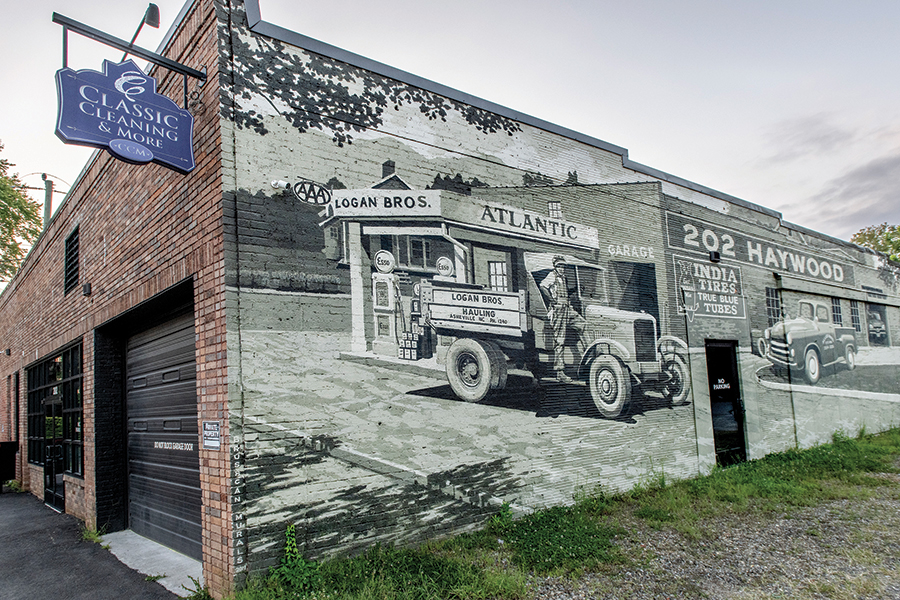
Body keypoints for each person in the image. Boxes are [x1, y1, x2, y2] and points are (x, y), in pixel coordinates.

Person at [539, 255, 586, 382]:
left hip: (567, 308)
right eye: (559, 266)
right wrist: (553, 301)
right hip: (558, 310)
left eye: (563, 266)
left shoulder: (563, 278)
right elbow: (543, 286)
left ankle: (587, 358)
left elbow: (565, 293)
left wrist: (574, 290)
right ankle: (560, 372)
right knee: (560, 340)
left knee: (582, 324)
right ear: (555, 266)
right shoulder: (552, 275)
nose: (562, 269)